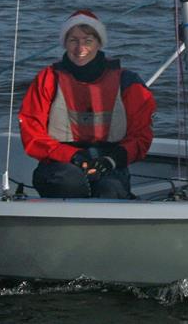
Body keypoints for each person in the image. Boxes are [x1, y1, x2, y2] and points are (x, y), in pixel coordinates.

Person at [18, 10, 156, 198]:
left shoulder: (128, 82)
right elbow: (32, 133)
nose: (80, 47)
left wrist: (111, 160)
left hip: (110, 163)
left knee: (109, 190)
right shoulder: (48, 79)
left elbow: (141, 136)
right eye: (73, 40)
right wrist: (72, 156)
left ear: (99, 43)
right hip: (58, 166)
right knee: (69, 182)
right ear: (65, 43)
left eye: (88, 41)